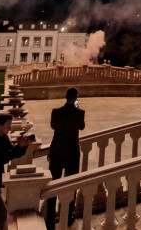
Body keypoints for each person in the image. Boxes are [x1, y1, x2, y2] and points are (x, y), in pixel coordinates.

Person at [46, 88, 86, 230]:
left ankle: (49, 219)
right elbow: (81, 127)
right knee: (71, 187)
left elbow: (53, 126)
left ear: (65, 96)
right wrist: (76, 107)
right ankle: (68, 217)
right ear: (76, 97)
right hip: (72, 154)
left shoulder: (56, 111)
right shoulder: (79, 112)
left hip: (57, 152)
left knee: (53, 187)